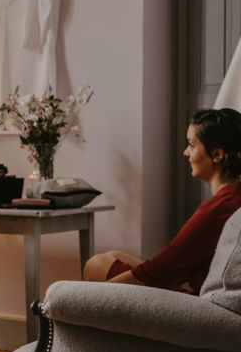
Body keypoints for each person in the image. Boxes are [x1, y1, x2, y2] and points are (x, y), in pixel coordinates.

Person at [83, 108, 241, 293]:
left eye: (191, 145)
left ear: (217, 154)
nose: (185, 153)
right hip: (199, 290)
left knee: (96, 265)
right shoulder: (234, 196)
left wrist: (84, 297)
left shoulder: (218, 209)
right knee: (113, 255)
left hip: (201, 304)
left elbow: (156, 272)